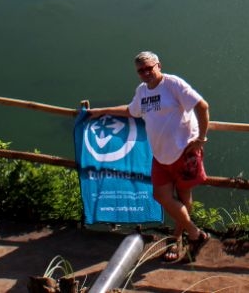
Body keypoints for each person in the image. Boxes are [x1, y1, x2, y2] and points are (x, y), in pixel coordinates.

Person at [88, 51, 210, 262]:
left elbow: (202, 106)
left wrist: (201, 138)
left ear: (158, 65)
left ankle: (177, 238)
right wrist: (102, 111)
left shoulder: (173, 84)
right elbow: (131, 110)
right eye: (141, 70)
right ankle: (195, 233)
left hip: (184, 153)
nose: (145, 72)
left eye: (149, 68)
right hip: (160, 156)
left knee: (183, 199)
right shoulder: (142, 91)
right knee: (162, 196)